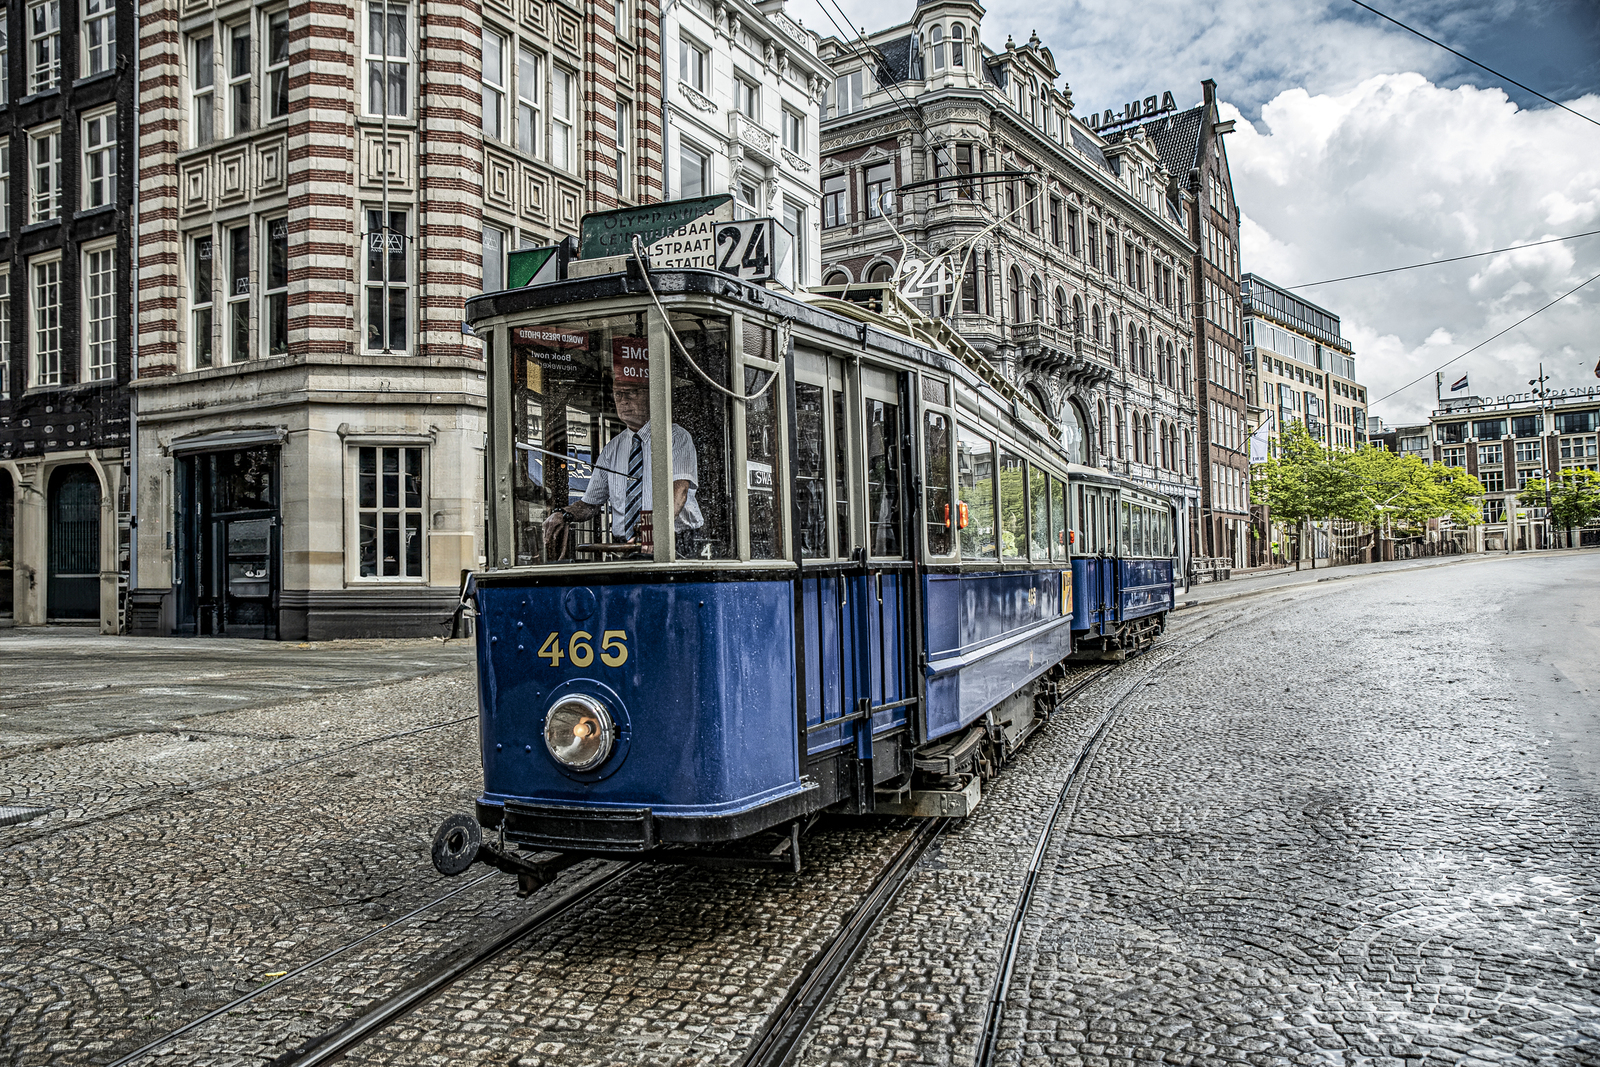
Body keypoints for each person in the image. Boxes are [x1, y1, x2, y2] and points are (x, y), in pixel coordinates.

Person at [542, 378, 701, 553]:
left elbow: (679, 490)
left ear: (651, 396)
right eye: (618, 394)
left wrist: (656, 530)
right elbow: (590, 504)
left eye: (631, 392)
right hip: (627, 546)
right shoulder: (612, 448)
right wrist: (564, 514)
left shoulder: (675, 437)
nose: (624, 401)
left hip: (676, 542)